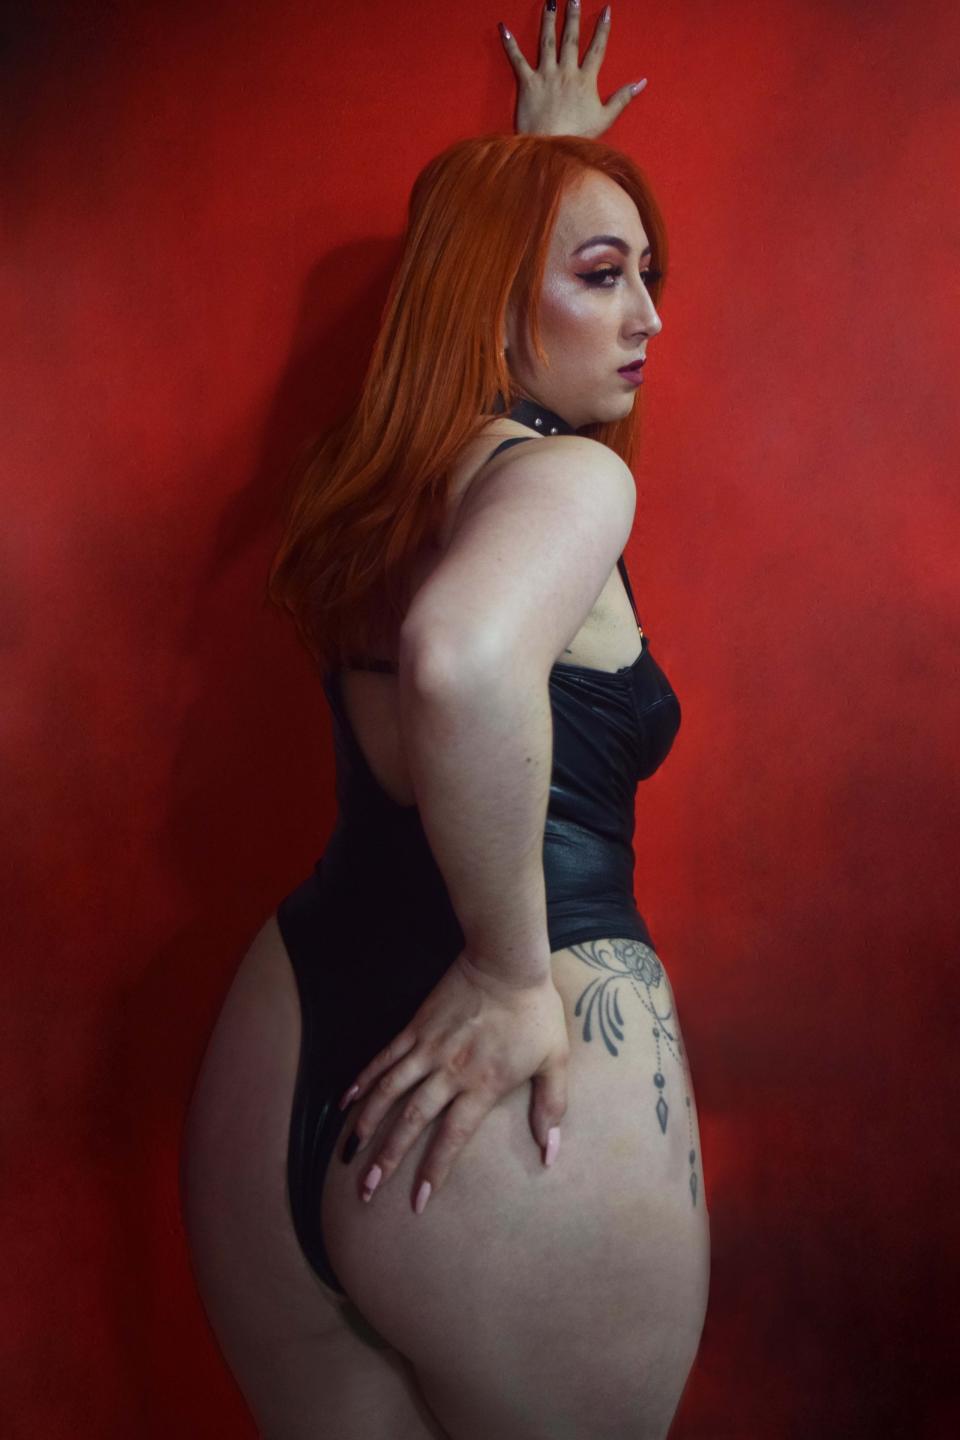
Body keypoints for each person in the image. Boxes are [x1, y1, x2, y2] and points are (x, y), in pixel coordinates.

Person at [181, 6, 710, 1438]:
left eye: (648, 274)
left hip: (283, 1059)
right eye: (603, 276)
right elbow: (464, 661)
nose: (650, 316)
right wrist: (507, 968)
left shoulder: (376, 485)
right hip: (506, 1104)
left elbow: (476, 309)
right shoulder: (572, 482)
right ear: (491, 298)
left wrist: (542, 169)